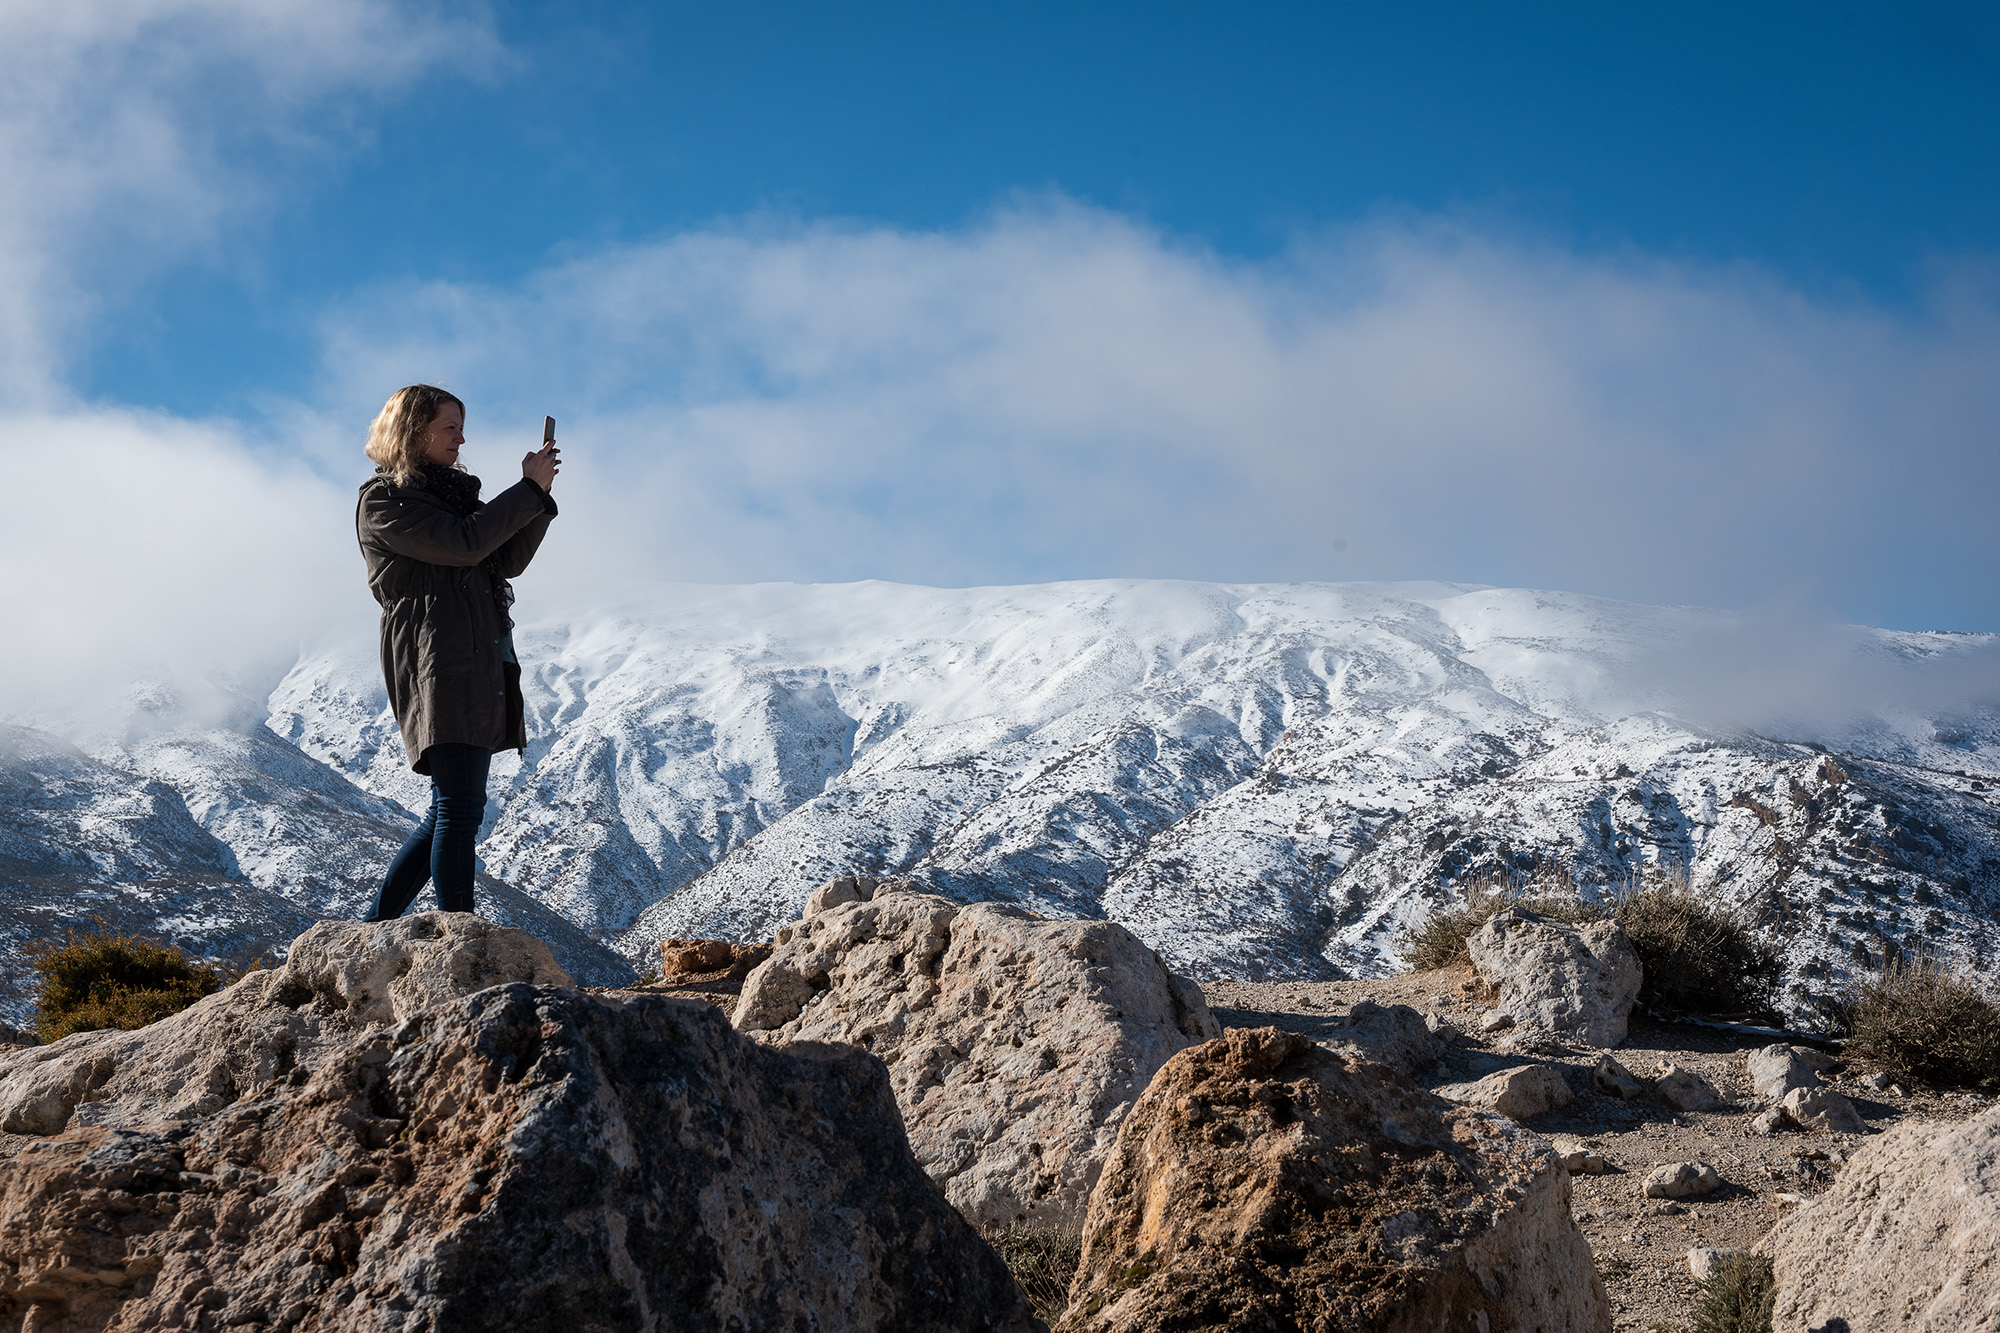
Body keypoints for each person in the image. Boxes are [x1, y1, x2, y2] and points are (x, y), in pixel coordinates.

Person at [355, 384, 561, 919]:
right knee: (458, 809)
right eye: (451, 427)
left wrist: (536, 498)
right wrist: (524, 493)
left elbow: (504, 557)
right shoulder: (384, 502)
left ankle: (376, 928)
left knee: (454, 809)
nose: (461, 439)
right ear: (415, 430)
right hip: (435, 660)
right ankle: (459, 934)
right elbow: (464, 544)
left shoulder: (454, 499)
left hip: (474, 656)